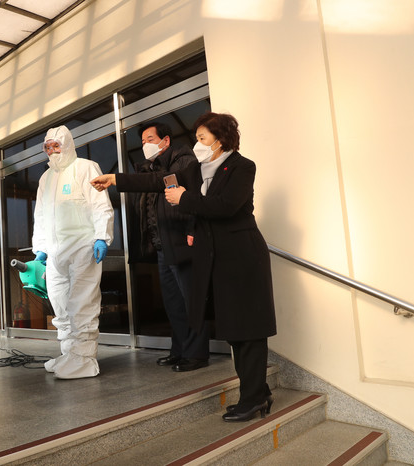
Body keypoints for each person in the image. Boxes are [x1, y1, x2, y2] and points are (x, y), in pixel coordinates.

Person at [90, 112, 276, 422]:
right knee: (234, 331)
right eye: (197, 137)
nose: (197, 143)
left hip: (243, 258)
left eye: (202, 138)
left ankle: (254, 397)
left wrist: (185, 198)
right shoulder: (196, 170)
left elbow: (226, 207)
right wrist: (115, 179)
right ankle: (257, 392)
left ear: (221, 139)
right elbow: (157, 180)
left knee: (248, 330)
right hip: (217, 260)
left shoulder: (242, 167)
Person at [32, 125, 114, 379]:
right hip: (55, 251)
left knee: (82, 303)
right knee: (60, 303)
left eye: (56, 145)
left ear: (67, 144)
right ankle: (69, 353)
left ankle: (85, 360)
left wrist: (102, 237)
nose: (52, 150)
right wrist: (41, 249)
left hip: (82, 247)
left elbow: (100, 204)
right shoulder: (46, 178)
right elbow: (40, 215)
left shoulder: (86, 167)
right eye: (48, 147)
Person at [135, 122, 209, 371]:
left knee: (191, 300)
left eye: (150, 139)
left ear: (165, 140)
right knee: (173, 302)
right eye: (142, 142)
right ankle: (180, 350)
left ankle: (197, 354)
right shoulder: (151, 169)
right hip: (162, 245)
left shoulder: (183, 161)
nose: (145, 145)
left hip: (182, 241)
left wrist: (191, 230)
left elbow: (194, 198)